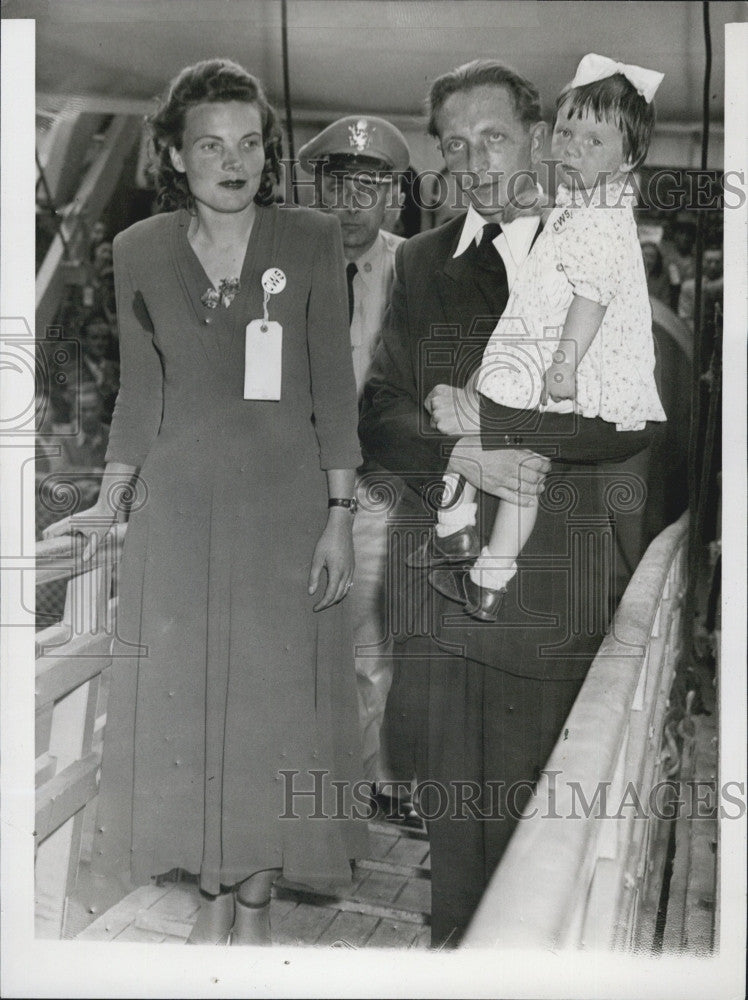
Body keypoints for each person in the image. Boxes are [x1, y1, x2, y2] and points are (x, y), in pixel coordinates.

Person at [44, 59, 367, 947]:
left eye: (251, 144)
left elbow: (332, 388)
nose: (235, 161)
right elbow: (137, 399)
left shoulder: (310, 238)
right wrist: (111, 503)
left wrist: (339, 515)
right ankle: (210, 905)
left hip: (286, 520)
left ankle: (250, 912)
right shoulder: (138, 250)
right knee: (193, 716)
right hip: (179, 521)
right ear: (175, 158)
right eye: (211, 146)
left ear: (269, 153)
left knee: (268, 721)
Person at [359, 58, 658, 947]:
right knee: (456, 863)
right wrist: (462, 456)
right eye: (455, 144)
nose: (475, 158)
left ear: (539, 137)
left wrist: (498, 436)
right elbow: (379, 414)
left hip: (551, 602)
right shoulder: (419, 261)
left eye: (493, 135)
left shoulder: (601, 245)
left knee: (543, 847)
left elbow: (629, 419)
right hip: (443, 599)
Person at [416, 55, 667, 621]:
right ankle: (487, 570)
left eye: (593, 140)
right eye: (568, 131)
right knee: (507, 440)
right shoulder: (589, 200)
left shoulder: (605, 215)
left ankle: (461, 531)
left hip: (569, 356)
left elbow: (592, 296)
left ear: (628, 158)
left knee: (486, 416)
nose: (574, 147)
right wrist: (542, 202)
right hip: (543, 345)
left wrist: (566, 362)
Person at [297, 116, 421, 823]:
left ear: (394, 198)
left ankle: (377, 783)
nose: (350, 201)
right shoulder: (278, 267)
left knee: (374, 637)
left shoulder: (418, 269)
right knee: (293, 634)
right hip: (292, 483)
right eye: (338, 183)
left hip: (376, 483)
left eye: (369, 185)